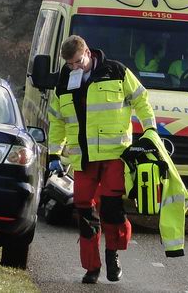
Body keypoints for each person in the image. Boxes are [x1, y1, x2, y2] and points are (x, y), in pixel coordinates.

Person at [47, 35, 157, 284]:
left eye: (77, 62)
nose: (74, 67)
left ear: (87, 52)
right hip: (83, 158)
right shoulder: (64, 82)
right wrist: (54, 153)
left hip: (114, 155)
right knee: (84, 212)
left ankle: (112, 254)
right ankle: (91, 267)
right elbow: (57, 120)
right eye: (69, 64)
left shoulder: (116, 72)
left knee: (111, 210)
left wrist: (150, 130)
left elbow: (141, 100)